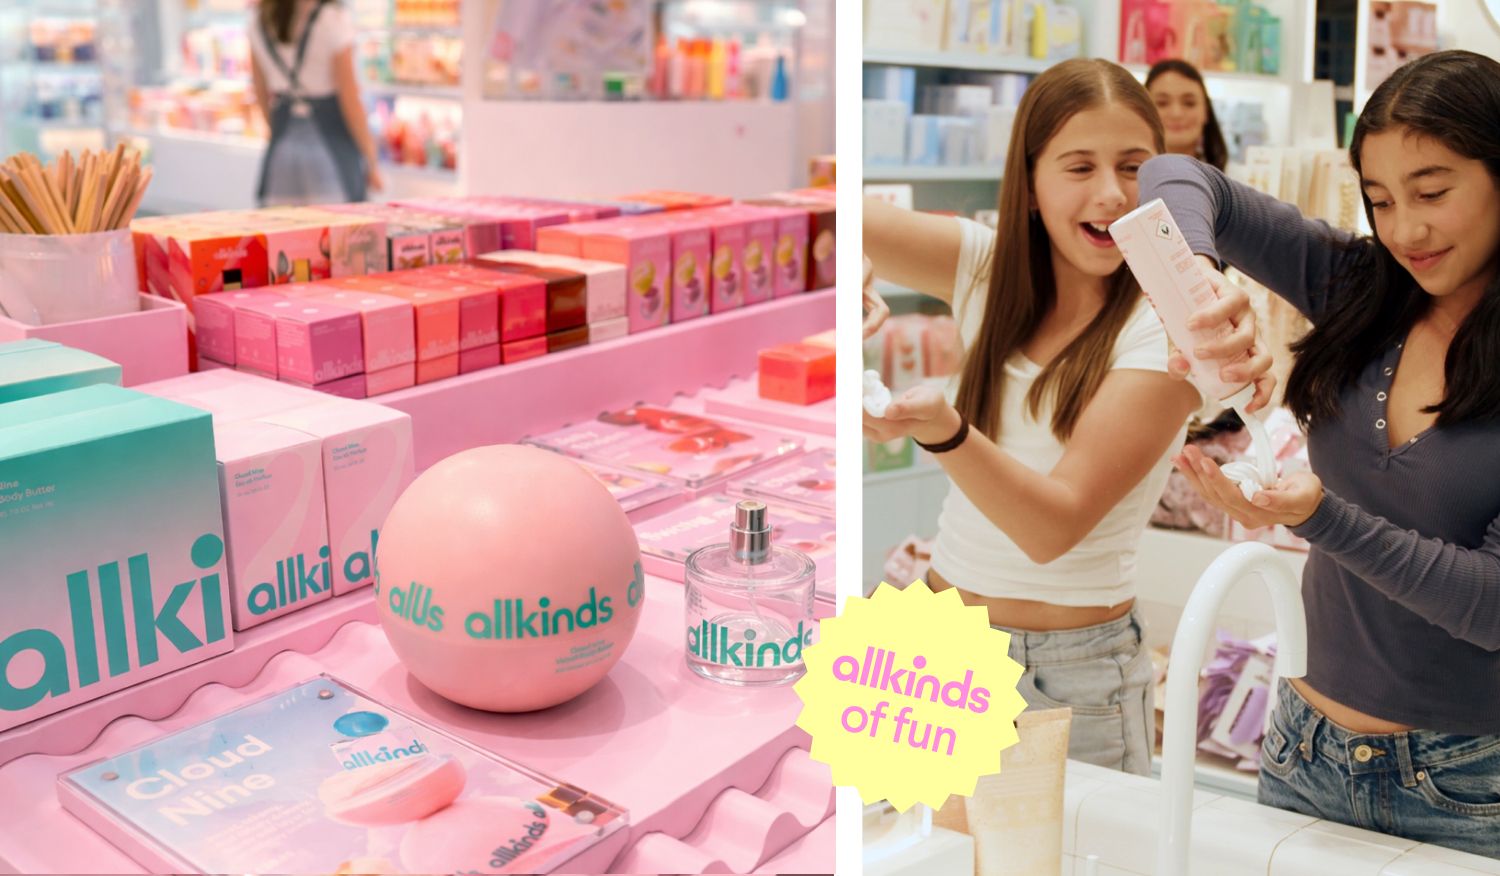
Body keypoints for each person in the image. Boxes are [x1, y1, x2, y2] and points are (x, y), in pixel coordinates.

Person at [861, 57, 1271, 775]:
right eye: (1078, 167)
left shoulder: (1173, 327)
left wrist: (944, 431)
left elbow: (1053, 525)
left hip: (1068, 677)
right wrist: (844, 273)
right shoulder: (985, 270)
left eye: (1134, 166)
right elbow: (836, 219)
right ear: (1030, 184)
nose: (1111, 194)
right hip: (929, 644)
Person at [1141, 50, 1500, 857]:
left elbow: (1492, 607)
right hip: (1302, 745)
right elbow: (1175, 176)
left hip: (1470, 784)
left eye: (1433, 192)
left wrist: (1321, 518)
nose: (1405, 228)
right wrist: (1196, 284)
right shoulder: (1360, 285)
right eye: (1380, 200)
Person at [249, 0, 382, 205]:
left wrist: (278, 129)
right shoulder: (332, 19)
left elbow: (260, 91)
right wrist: (371, 160)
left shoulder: (259, 21)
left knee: (282, 233)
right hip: (330, 151)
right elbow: (350, 100)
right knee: (336, 233)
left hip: (281, 152)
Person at [1146, 59, 1229, 171]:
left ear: (1206, 112)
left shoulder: (1233, 181)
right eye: (1162, 103)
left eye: (1189, 103)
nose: (1176, 114)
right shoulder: (1122, 181)